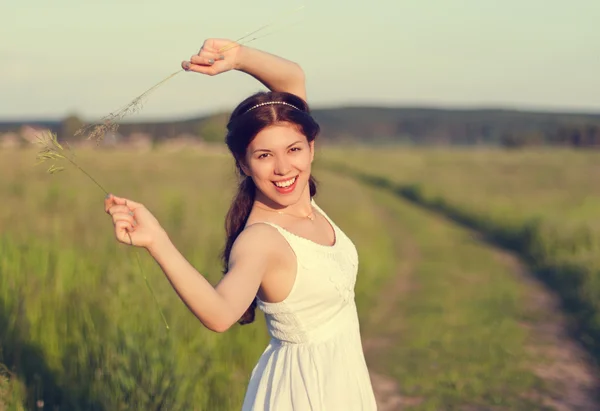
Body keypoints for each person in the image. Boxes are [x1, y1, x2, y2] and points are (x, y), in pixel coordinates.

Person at [104, 38, 377, 410]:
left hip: (344, 384)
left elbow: (292, 78)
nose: (283, 168)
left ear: (312, 147)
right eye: (264, 155)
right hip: (303, 395)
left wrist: (239, 58)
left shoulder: (303, 202)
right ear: (244, 164)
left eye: (294, 150)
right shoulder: (261, 240)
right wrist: (158, 242)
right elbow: (219, 315)